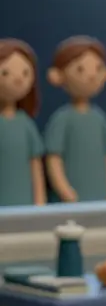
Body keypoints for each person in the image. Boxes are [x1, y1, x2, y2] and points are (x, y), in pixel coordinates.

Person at [44, 36, 106, 202]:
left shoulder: (100, 119)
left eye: (98, 68)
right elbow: (53, 158)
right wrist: (64, 190)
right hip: (71, 202)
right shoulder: (61, 119)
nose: (91, 75)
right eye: (80, 69)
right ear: (57, 76)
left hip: (102, 199)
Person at [0, 39, 46, 207]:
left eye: (25, 73)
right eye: (5, 73)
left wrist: (40, 201)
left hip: (25, 203)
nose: (18, 79)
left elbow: (35, 164)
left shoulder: (26, 124)